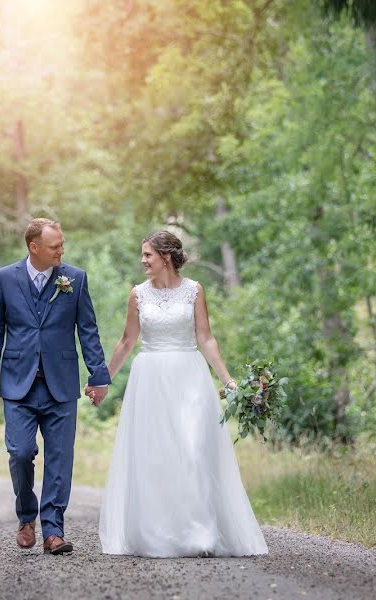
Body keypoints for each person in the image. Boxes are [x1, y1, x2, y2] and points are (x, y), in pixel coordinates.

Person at [98, 230, 268, 557]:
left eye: (147, 255)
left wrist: (229, 380)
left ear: (165, 257)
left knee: (194, 449)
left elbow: (205, 338)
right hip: (150, 380)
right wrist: (103, 380)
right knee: (157, 456)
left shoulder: (194, 291)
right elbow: (126, 342)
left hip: (190, 377)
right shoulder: (137, 294)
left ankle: (201, 533)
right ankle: (159, 533)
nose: (143, 260)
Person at [0, 218, 111, 554]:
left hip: (61, 384)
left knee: (60, 458)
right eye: (54, 246)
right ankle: (26, 515)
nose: (61, 251)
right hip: (18, 385)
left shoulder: (75, 279)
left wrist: (98, 375)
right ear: (33, 247)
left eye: (62, 245)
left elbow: (89, 330)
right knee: (20, 452)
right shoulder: (5, 278)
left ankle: (54, 530)